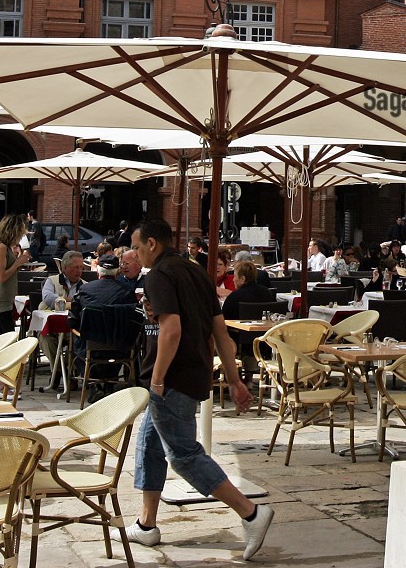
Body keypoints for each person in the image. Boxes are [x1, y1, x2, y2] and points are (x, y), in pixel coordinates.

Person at [127, 219, 272, 559]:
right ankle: (147, 525)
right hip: (194, 373)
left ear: (151, 244)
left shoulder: (160, 275)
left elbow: (171, 330)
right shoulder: (197, 273)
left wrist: (158, 379)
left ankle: (251, 513)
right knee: (149, 444)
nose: (134, 253)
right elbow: (221, 334)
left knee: (183, 455)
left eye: (136, 246)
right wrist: (235, 381)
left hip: (171, 379)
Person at [0, 214, 32, 334]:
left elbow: (10, 271)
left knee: (0, 338)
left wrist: (19, 262)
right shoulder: (1, 247)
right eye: (20, 233)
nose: (20, 237)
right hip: (1, 298)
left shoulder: (6, 247)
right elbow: (2, 277)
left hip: (7, 298)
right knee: (8, 337)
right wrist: (18, 263)